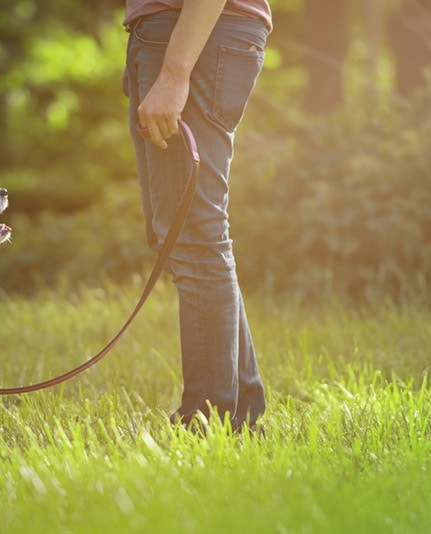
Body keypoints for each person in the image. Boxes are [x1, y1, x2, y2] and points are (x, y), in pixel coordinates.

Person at [123, 0, 271, 433]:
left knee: (193, 236)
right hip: (173, 34)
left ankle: (209, 420)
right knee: (182, 234)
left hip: (194, 32)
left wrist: (173, 73)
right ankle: (240, 412)